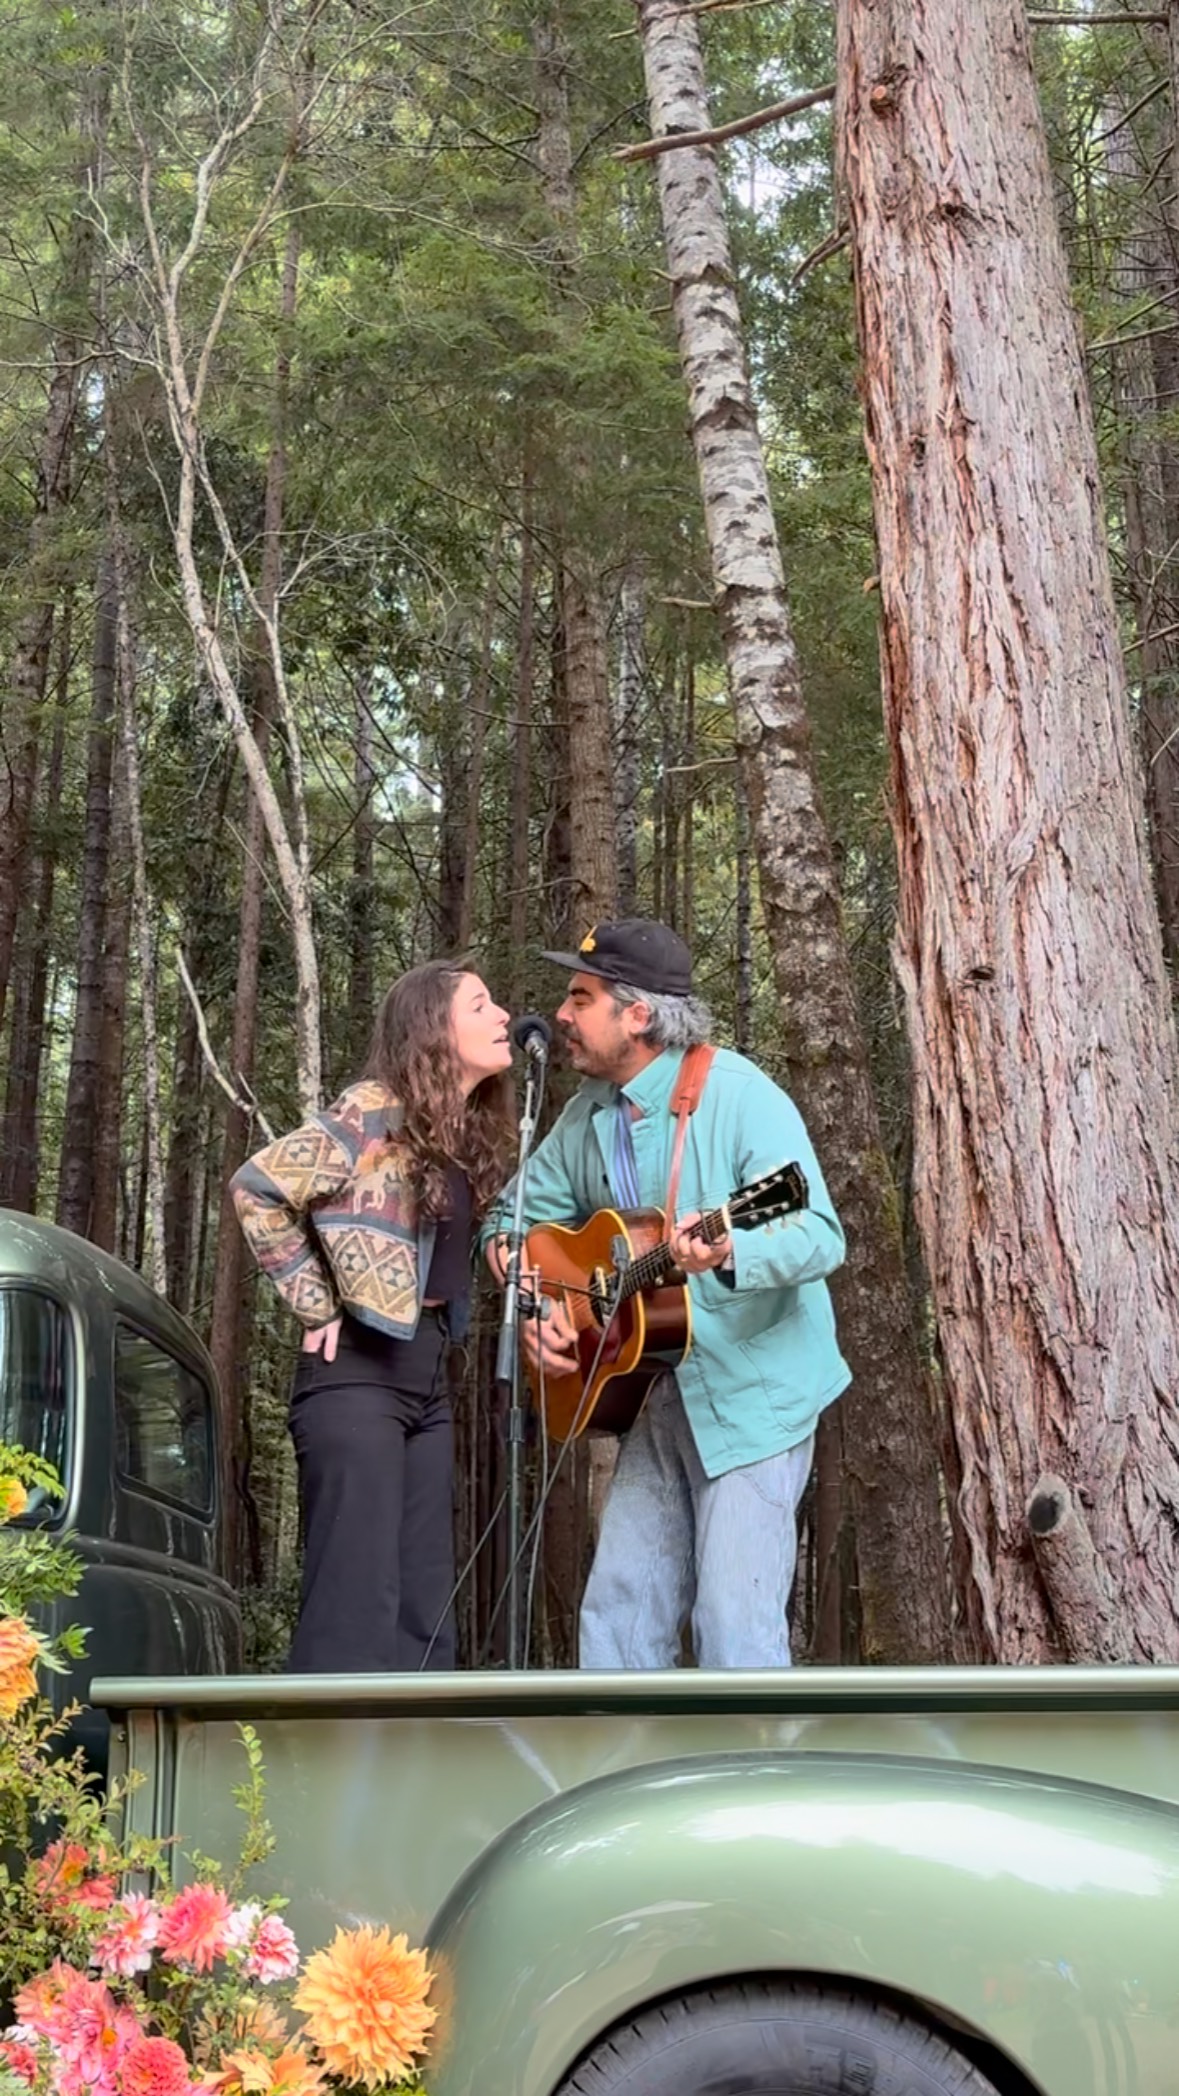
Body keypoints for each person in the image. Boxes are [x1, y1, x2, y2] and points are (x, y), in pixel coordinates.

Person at [482, 919, 849, 1670]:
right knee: (617, 1615)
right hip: (655, 1391)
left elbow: (820, 1233)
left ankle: (749, 1784)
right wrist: (542, 1305)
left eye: (580, 999)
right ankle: (619, 1782)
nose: (561, 1014)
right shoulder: (588, 1112)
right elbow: (506, 1220)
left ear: (638, 1015)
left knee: (734, 1629)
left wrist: (731, 1247)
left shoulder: (742, 1095)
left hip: (755, 1400)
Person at [233, 961, 513, 1673]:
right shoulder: (370, 1112)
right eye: (480, 1005)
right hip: (355, 1372)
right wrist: (312, 1299)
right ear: (433, 1029)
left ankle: (414, 1771)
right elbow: (257, 1186)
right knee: (356, 1602)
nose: (504, 1015)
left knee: (424, 1607)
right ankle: (323, 1775)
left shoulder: (462, 1132)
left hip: (428, 1374)